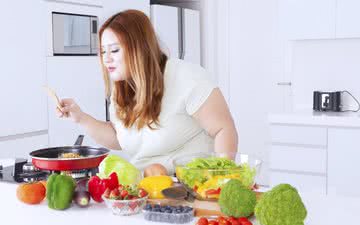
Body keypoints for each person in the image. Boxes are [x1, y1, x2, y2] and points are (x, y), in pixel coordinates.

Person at [57, 10, 238, 172]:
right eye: (103, 52)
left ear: (139, 48)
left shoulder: (187, 77)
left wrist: (218, 181)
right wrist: (80, 118)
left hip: (191, 186)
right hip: (147, 189)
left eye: (114, 50)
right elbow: (119, 138)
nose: (107, 59)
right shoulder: (121, 90)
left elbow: (224, 129)